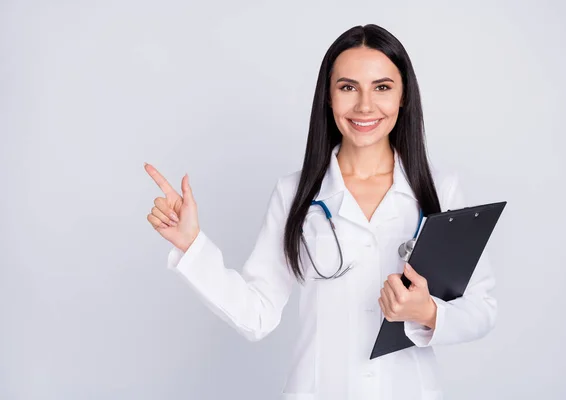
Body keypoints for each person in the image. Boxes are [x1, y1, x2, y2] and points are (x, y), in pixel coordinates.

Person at [144, 24, 496, 400]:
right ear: (328, 97)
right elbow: (256, 314)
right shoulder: (295, 194)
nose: (364, 105)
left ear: (403, 96)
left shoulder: (440, 190)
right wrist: (192, 246)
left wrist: (428, 312)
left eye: (382, 87)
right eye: (348, 87)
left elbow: (482, 308)